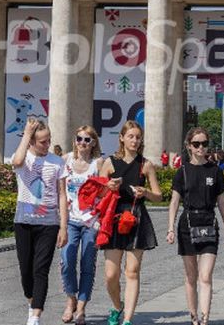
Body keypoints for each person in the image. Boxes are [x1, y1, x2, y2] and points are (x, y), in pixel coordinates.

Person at [166, 127, 224, 325]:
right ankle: (193, 316)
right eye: (196, 144)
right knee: (191, 275)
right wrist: (170, 228)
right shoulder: (182, 172)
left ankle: (204, 319)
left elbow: (222, 202)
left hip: (209, 224)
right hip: (187, 224)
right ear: (189, 146)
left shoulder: (215, 170)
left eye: (204, 144)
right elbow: (174, 202)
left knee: (205, 276)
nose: (201, 148)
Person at [99, 120, 163, 325]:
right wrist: (108, 187)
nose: (135, 140)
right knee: (111, 274)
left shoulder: (146, 165)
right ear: (122, 138)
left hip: (136, 216)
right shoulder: (109, 163)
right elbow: (98, 193)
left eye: (138, 137)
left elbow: (159, 196)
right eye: (131, 136)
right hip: (114, 216)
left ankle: (127, 320)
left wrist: (146, 192)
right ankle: (117, 306)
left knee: (132, 272)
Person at [11, 118, 68, 325]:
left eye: (49, 140)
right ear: (32, 142)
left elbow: (62, 195)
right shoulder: (23, 158)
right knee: (25, 271)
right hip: (24, 222)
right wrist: (26, 134)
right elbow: (16, 162)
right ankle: (31, 301)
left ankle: (35, 316)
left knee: (40, 269)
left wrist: (63, 226)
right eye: (42, 141)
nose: (47, 145)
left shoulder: (57, 162)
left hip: (49, 224)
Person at [60, 126, 104, 324]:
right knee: (67, 260)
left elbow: (104, 192)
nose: (83, 143)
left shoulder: (98, 163)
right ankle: (71, 299)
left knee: (87, 263)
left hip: (91, 222)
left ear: (93, 142)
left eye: (87, 140)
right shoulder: (66, 159)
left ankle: (81, 308)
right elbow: (58, 189)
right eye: (79, 139)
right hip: (69, 220)